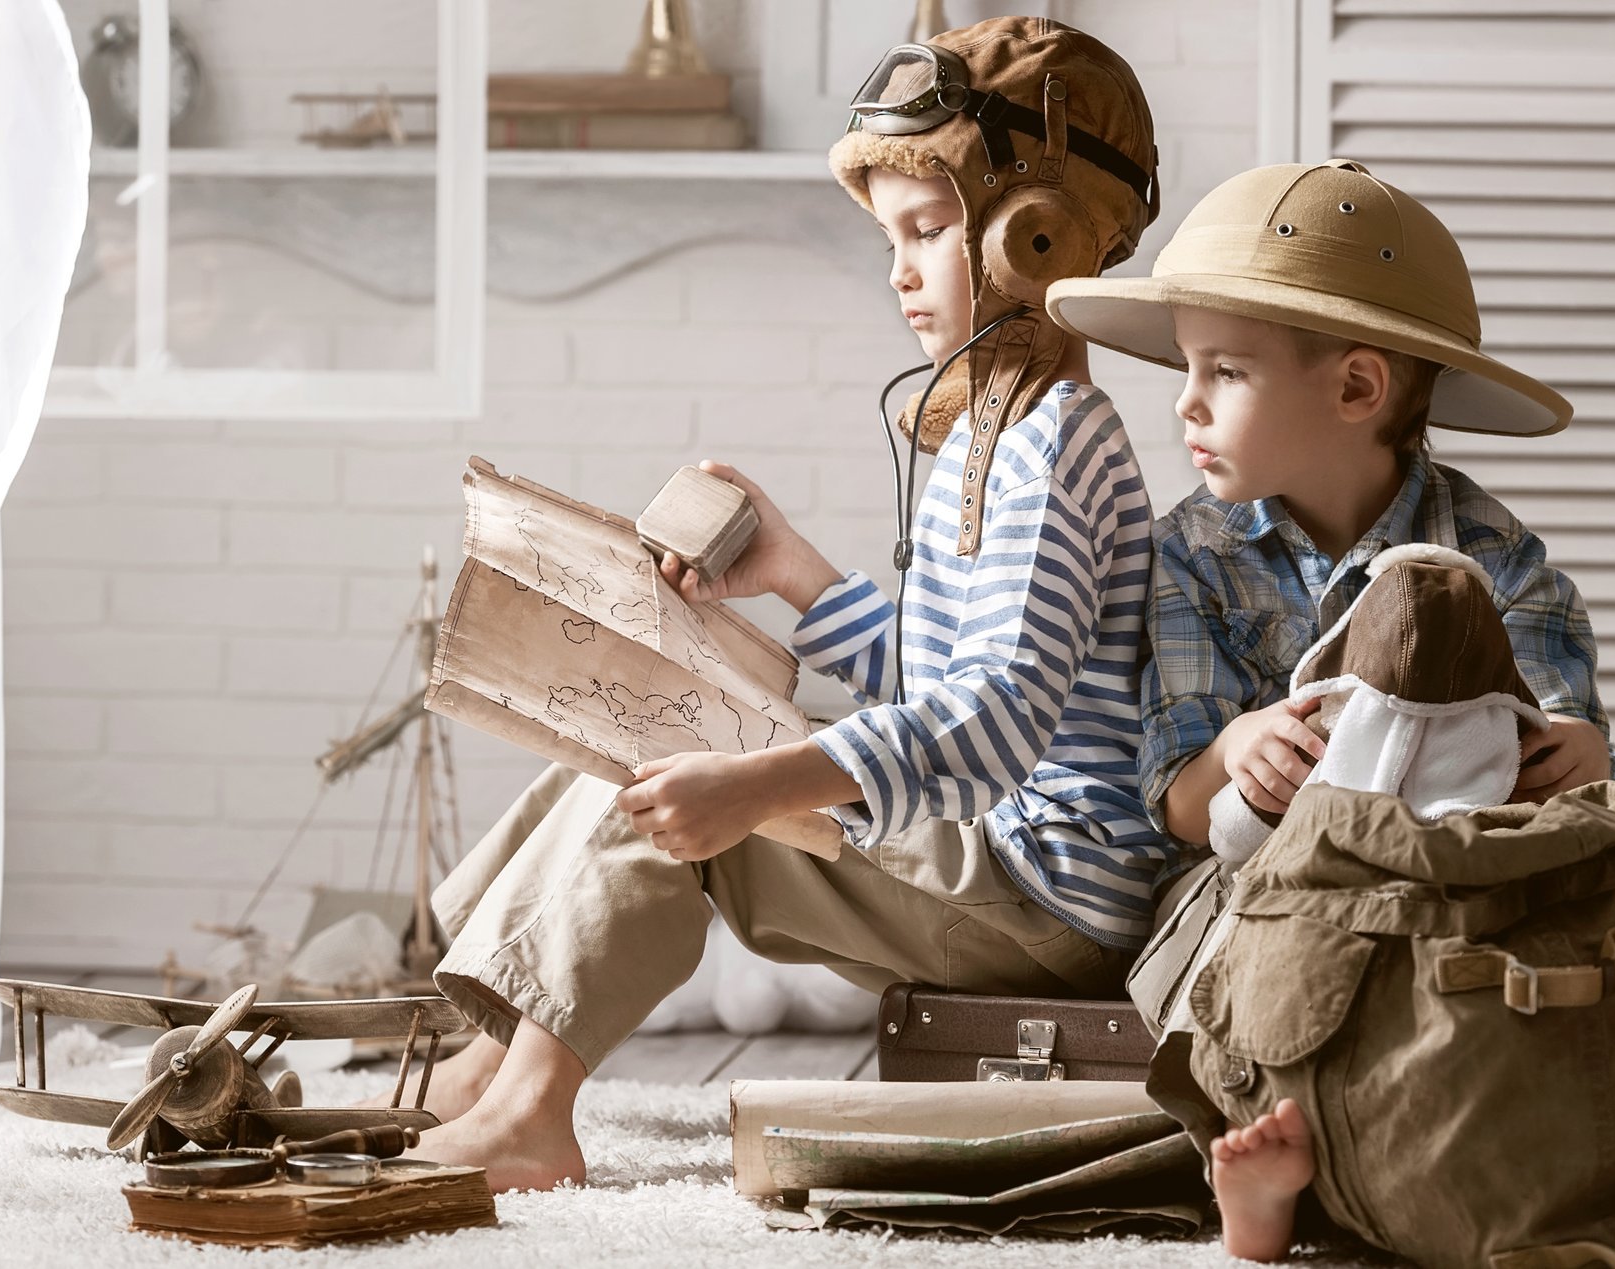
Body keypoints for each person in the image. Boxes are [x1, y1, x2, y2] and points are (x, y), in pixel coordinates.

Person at [389, 17, 1166, 1192]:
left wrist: (759, 783)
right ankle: (491, 1068)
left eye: (927, 231)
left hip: (1039, 895)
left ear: (1038, 238)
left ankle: (529, 1117)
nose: (899, 269)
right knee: (618, 746)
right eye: (888, 239)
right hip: (996, 860)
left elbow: (996, 720)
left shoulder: (1052, 445)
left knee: (664, 779)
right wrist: (797, 573)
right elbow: (943, 678)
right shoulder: (985, 435)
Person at [1045, 158, 1615, 1259]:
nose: (1184, 402)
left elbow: (1573, 766)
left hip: (1464, 889)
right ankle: (1273, 1188)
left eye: (1223, 370)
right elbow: (1179, 806)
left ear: (1358, 390)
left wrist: (1582, 750)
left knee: (1587, 941)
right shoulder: (1194, 555)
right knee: (1234, 971)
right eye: (1187, 367)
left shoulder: (1496, 557)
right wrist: (1232, 748)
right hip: (1291, 892)